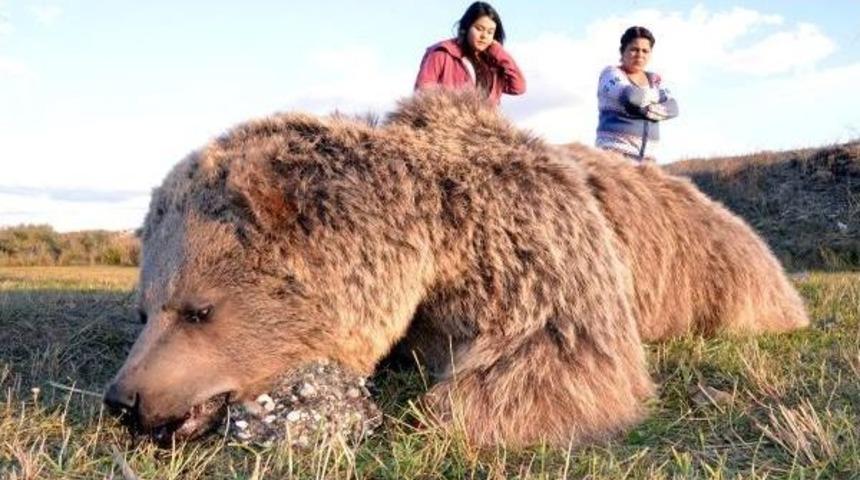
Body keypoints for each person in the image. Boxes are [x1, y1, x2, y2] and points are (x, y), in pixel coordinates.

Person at [414, 2, 526, 106]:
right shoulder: (443, 53)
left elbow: (518, 87)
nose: (484, 36)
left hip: (484, 125)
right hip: (447, 123)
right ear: (466, 27)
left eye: (490, 32)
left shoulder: (493, 63)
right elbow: (423, 92)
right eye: (479, 29)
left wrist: (498, 51)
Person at [596, 26, 678, 163]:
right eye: (634, 49)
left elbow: (674, 108)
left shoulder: (655, 79)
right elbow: (631, 97)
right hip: (613, 159)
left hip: (647, 163)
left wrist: (644, 107)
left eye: (645, 51)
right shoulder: (610, 74)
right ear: (622, 52)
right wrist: (658, 100)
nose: (640, 54)